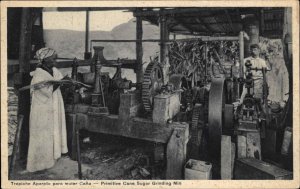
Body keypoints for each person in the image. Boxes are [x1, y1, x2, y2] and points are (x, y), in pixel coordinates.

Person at [26, 47, 68, 172]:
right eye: (53, 58)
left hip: (55, 105)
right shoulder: (38, 74)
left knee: (54, 130)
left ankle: (53, 158)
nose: (55, 60)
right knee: (42, 134)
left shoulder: (54, 70)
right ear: (45, 60)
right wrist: (58, 83)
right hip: (42, 108)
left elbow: (59, 82)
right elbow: (43, 92)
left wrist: (65, 82)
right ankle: (39, 164)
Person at [265, 44, 289, 108]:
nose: (273, 50)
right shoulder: (270, 56)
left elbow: (278, 67)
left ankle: (280, 101)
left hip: (280, 74)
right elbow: (268, 66)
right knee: (271, 86)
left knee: (280, 87)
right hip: (272, 74)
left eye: (275, 48)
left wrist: (271, 61)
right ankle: (271, 100)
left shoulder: (280, 56)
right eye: (272, 49)